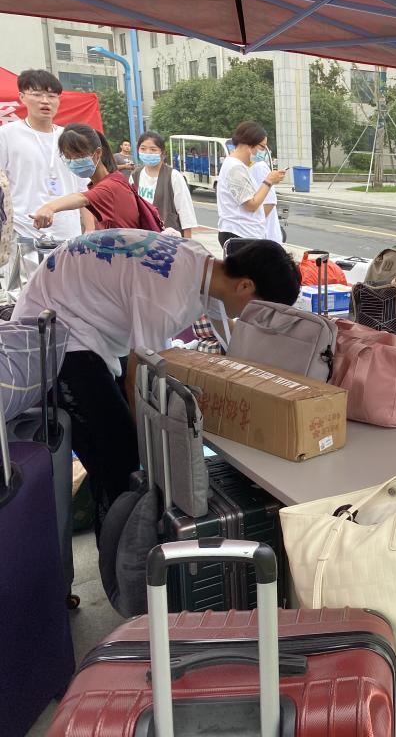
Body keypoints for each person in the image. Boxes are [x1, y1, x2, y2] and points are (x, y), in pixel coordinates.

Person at [12, 229, 300, 534]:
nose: (251, 318)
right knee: (119, 457)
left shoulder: (203, 265)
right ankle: (118, 553)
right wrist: (151, 455)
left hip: (78, 315)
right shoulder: (168, 296)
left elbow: (225, 331)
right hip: (53, 336)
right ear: (245, 285)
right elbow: (139, 377)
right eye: (258, 309)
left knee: (122, 440)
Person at [0, 69, 92, 263]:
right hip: (24, 234)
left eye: (51, 96)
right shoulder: (6, 135)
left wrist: (90, 230)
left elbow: (85, 189)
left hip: (70, 234)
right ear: (22, 97)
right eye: (37, 94)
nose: (45, 101)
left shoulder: (70, 137)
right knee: (28, 283)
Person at [31, 123, 151, 232]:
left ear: (97, 153)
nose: (73, 161)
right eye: (68, 157)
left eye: (79, 155)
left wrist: (49, 207)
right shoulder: (105, 180)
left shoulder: (111, 185)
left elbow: (82, 198)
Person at [216, 121, 285, 248]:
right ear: (249, 144)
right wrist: (268, 181)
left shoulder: (239, 166)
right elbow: (251, 205)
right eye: (262, 147)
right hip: (240, 235)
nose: (264, 152)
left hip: (244, 235)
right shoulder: (235, 168)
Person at [131, 131, 198, 238]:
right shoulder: (135, 176)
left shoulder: (173, 176)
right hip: (142, 239)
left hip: (168, 240)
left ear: (162, 153)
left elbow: (186, 213)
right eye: (143, 148)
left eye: (153, 149)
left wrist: (187, 243)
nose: (148, 152)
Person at [248, 145, 282, 243]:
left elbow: (269, 203)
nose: (263, 151)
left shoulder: (260, 166)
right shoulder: (246, 167)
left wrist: (251, 224)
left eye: (263, 147)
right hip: (258, 236)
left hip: (266, 238)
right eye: (262, 146)